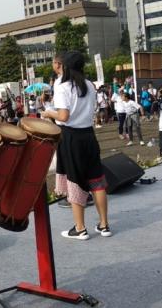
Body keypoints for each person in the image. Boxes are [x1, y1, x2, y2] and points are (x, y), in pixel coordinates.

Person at [42, 51, 112, 240]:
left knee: (75, 181)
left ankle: (80, 228)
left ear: (64, 66)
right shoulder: (89, 85)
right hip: (89, 135)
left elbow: (63, 116)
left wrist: (49, 113)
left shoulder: (63, 86)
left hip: (71, 137)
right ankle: (104, 225)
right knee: (96, 181)